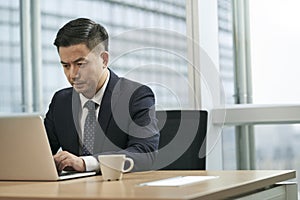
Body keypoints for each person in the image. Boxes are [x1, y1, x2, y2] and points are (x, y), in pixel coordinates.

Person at [44, 18, 160, 173]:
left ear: (104, 60)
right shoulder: (61, 101)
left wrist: (86, 163)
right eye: (66, 65)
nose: (72, 75)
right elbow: (38, 153)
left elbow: (145, 153)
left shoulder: (135, 96)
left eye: (80, 64)